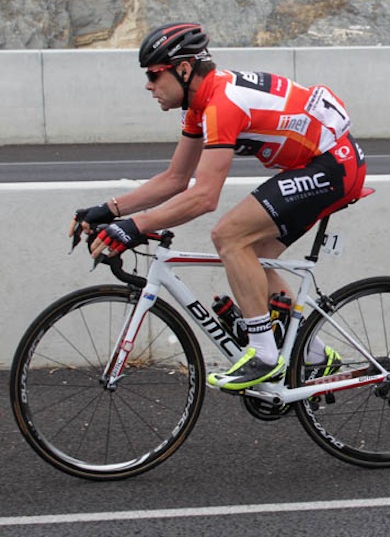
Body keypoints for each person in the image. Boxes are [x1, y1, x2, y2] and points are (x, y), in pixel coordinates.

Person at [71, 22, 366, 390]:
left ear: (183, 69)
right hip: (319, 164)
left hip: (332, 165)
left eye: (153, 74)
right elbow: (176, 179)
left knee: (229, 235)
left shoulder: (222, 105)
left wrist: (135, 227)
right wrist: (109, 210)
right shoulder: (199, 106)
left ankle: (264, 355)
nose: (148, 85)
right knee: (252, 256)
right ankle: (315, 355)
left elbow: (205, 196)